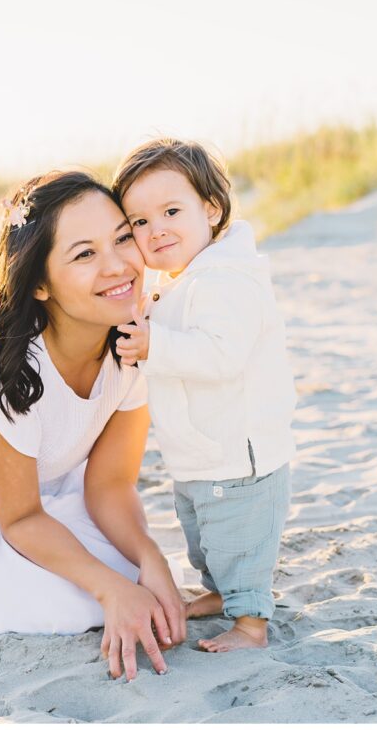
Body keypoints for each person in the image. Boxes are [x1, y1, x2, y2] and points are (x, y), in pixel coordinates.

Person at [0, 171, 185, 682]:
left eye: (122, 237)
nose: (118, 265)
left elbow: (111, 483)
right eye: (84, 254)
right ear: (38, 282)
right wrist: (110, 589)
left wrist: (150, 557)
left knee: (140, 574)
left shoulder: (137, 333)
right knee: (80, 602)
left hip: (43, 494)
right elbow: (21, 519)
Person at [112, 139, 297, 653]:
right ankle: (220, 592)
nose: (157, 230)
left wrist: (157, 343)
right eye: (139, 223)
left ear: (211, 210)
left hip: (240, 455)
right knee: (206, 538)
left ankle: (250, 624)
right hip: (200, 452)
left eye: (171, 211)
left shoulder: (224, 279)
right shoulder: (184, 280)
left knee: (241, 541)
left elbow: (223, 355)